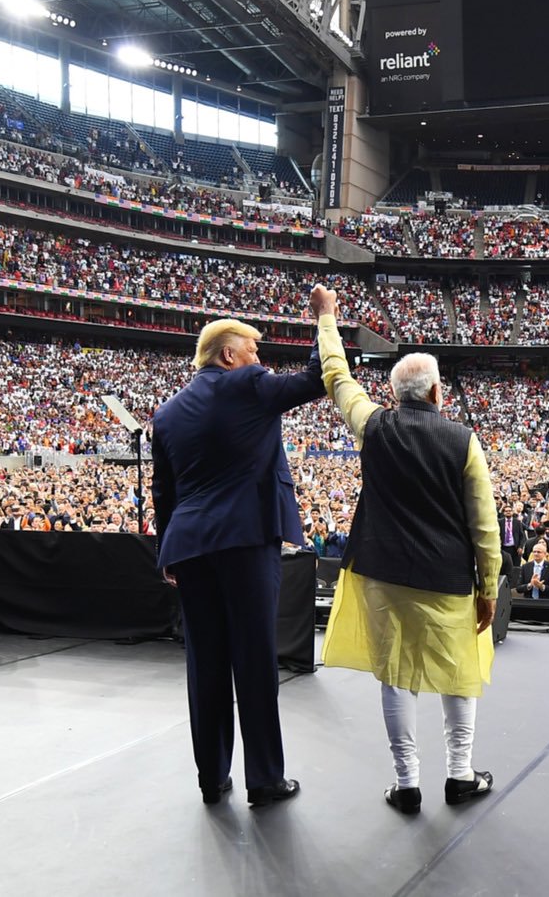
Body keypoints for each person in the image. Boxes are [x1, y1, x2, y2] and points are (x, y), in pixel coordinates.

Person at [310, 287, 499, 814]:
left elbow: (338, 380)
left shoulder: (372, 425)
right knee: (458, 669)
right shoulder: (463, 440)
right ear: (438, 393)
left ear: (395, 395)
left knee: (394, 675)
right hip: (447, 576)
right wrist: (487, 589)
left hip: (383, 572)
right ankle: (460, 774)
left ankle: (407, 782)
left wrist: (328, 320)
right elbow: (484, 526)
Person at [151, 314, 323, 808]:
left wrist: (168, 549)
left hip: (191, 547)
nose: (260, 361)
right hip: (245, 540)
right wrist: (325, 318)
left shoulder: (166, 413)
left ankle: (212, 778)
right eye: (253, 351)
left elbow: (164, 491)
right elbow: (314, 379)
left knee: (205, 663)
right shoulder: (247, 384)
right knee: (253, 658)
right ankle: (265, 779)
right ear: (229, 356)